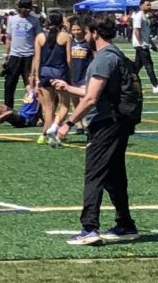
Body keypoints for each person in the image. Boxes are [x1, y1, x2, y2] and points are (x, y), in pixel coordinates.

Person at [54, 14, 141, 245]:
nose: (83, 38)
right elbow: (95, 91)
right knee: (114, 175)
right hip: (119, 120)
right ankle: (125, 224)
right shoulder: (115, 55)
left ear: (95, 33)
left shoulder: (104, 59)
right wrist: (69, 88)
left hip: (107, 123)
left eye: (85, 33)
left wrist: (68, 124)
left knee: (94, 174)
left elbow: (92, 98)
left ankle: (89, 228)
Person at [0, 3, 38, 110]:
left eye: (29, 9)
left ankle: (31, 110)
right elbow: (8, 38)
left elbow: (38, 38)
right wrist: (5, 56)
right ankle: (8, 109)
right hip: (15, 56)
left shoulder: (35, 20)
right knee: (9, 84)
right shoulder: (12, 19)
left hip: (29, 56)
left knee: (30, 85)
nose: (27, 11)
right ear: (19, 8)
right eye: (25, 8)